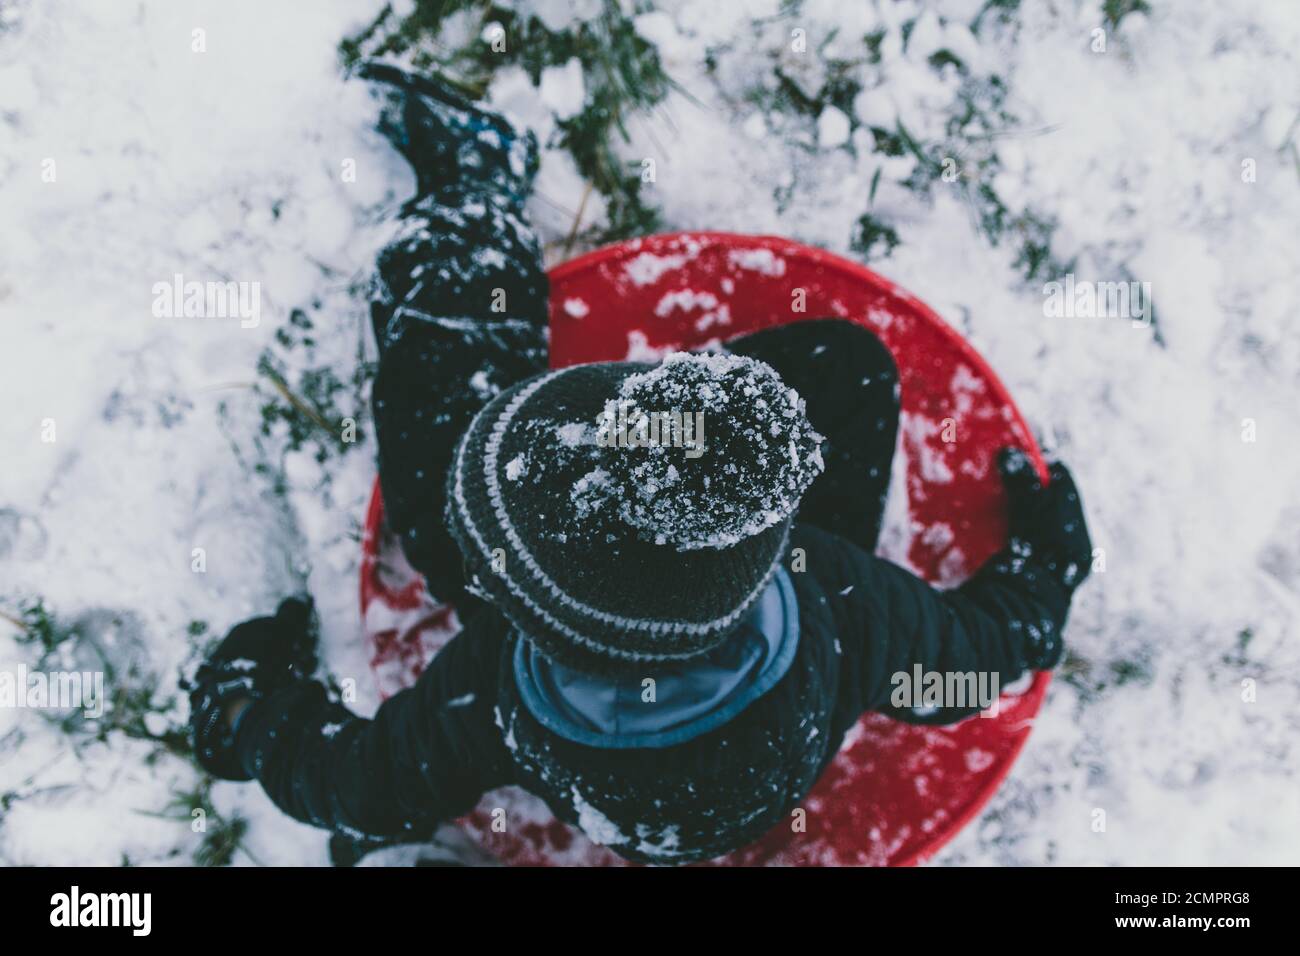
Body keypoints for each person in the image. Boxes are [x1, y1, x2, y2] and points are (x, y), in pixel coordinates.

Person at [188, 66, 1092, 866]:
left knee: (444, 430)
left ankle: (476, 197)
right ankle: (697, 489)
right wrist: (1046, 572)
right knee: (847, 368)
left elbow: (363, 784)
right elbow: (976, 664)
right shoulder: (839, 605)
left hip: (639, 723)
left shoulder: (498, 690)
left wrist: (246, 716)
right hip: (763, 711)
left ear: (524, 613)